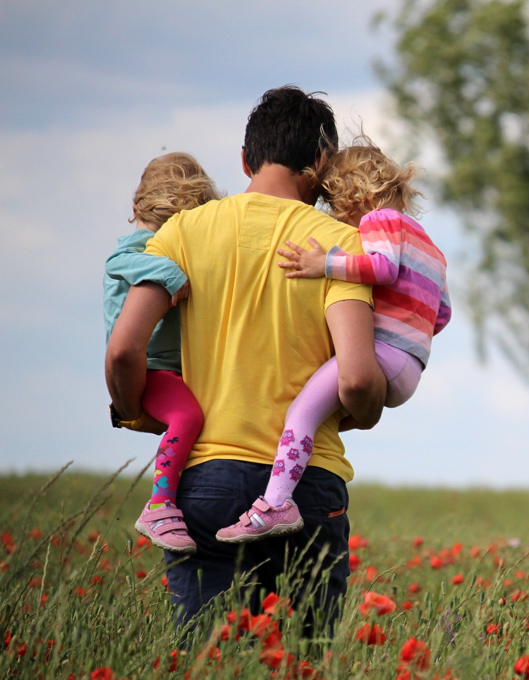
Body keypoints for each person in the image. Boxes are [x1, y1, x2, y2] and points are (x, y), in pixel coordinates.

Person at [105, 86, 386, 632]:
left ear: (244, 159)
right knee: (304, 661)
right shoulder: (340, 246)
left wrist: (135, 409)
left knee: (210, 657)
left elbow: (122, 348)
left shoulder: (182, 232)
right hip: (307, 486)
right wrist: (368, 408)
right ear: (322, 164)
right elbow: (355, 378)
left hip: (205, 480)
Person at [215, 142, 452, 543]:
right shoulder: (431, 246)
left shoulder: (380, 221)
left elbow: (382, 267)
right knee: (323, 414)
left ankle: (275, 504)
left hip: (382, 355)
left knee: (301, 413)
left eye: (335, 203)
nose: (338, 216)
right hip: (411, 366)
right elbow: (441, 314)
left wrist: (322, 263)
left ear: (352, 194)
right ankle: (288, 483)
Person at [103, 152, 220, 554]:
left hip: (171, 369)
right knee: (188, 416)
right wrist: (171, 273)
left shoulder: (160, 243)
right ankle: (160, 505)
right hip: (151, 369)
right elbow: (119, 261)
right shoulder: (139, 248)